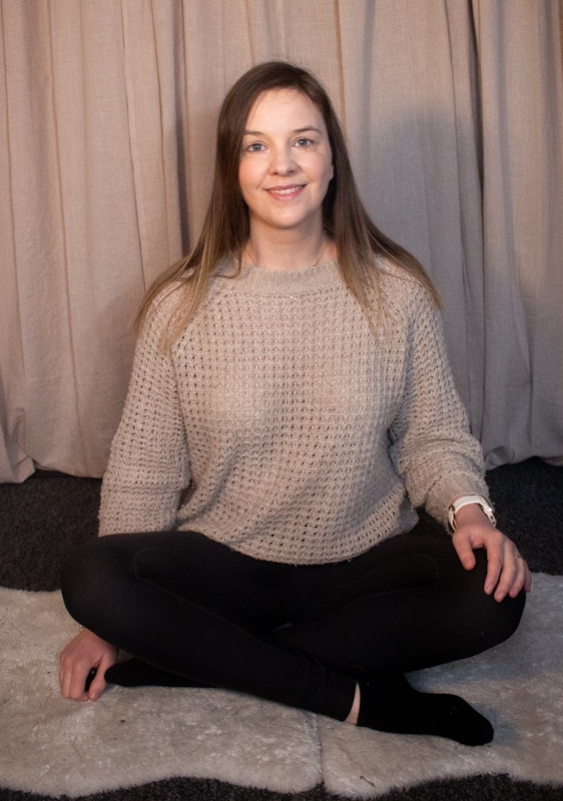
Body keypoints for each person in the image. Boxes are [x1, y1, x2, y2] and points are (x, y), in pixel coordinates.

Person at [59, 61, 531, 747]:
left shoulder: (397, 292)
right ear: (233, 169)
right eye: (257, 145)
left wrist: (471, 514)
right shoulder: (179, 305)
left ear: (332, 160)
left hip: (362, 560)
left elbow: (433, 437)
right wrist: (106, 622)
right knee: (92, 578)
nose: (282, 164)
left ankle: (201, 660)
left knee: (496, 590)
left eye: (302, 141)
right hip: (226, 563)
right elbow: (144, 470)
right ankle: (355, 695)